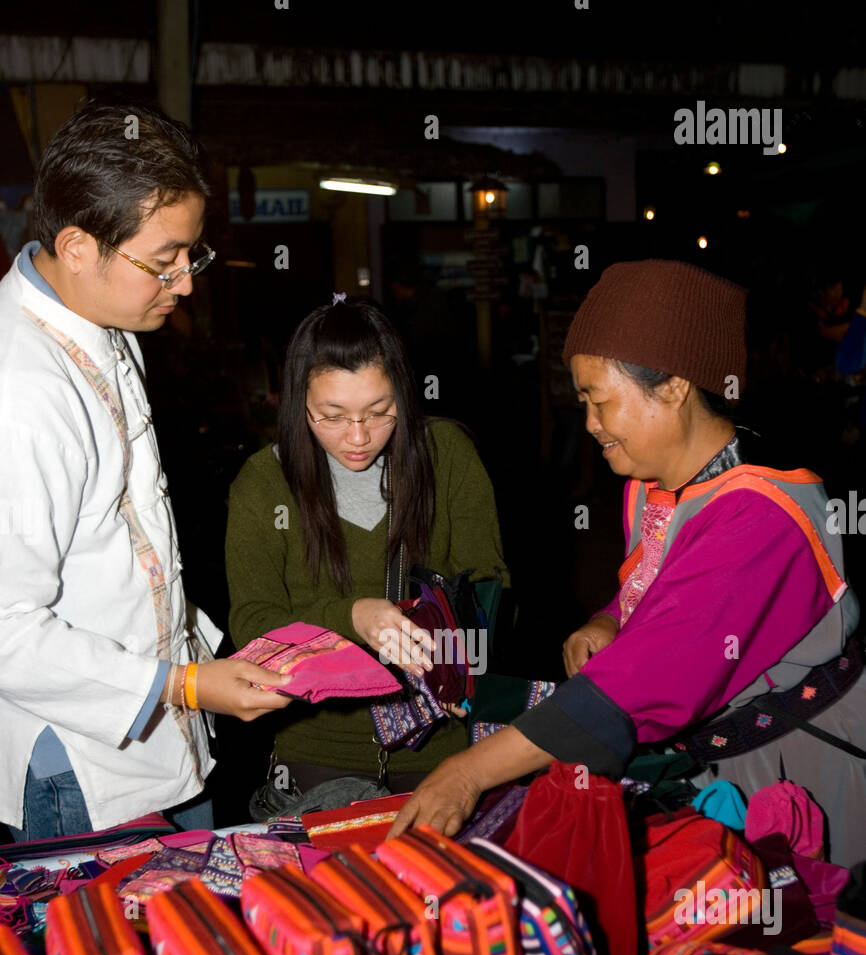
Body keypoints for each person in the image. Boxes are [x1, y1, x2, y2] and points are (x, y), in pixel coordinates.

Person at [390, 259, 866, 869]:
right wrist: (609, 622)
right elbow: (659, 591)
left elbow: (642, 683)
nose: (588, 424)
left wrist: (469, 771)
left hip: (798, 769)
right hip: (718, 760)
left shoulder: (763, 517)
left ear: (672, 386)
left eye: (600, 401)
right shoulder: (656, 482)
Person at [0, 102, 291, 840]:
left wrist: (208, 655)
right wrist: (186, 684)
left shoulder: (100, 318)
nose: (186, 283)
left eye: (191, 257)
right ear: (75, 245)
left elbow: (126, 537)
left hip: (162, 727)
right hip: (85, 762)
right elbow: (7, 631)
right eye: (164, 262)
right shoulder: (22, 391)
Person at [225, 295, 509, 797]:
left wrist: (461, 667)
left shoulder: (448, 457)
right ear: (298, 404)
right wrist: (353, 617)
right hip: (316, 760)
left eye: (380, 412)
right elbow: (253, 625)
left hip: (441, 755)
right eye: (331, 416)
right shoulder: (265, 482)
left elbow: (488, 582)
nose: (358, 437)